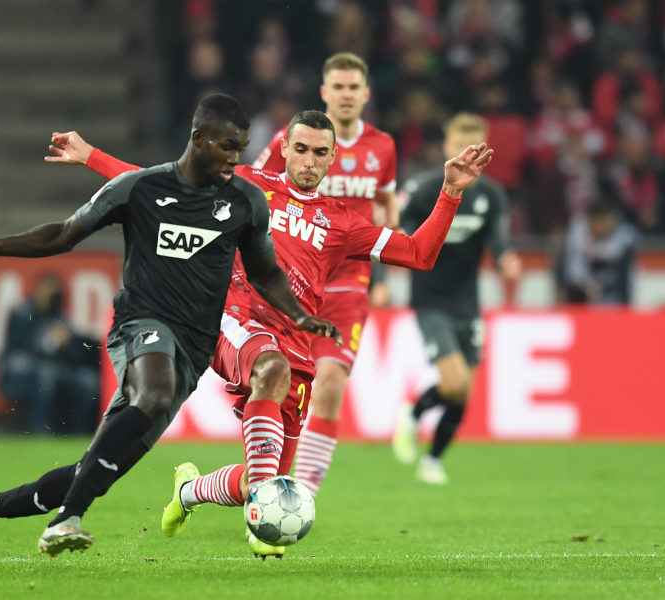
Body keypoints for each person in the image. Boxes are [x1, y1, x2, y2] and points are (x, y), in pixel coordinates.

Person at [46, 112, 493, 557]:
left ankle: (190, 491)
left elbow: (418, 253)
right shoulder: (247, 185)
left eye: (320, 153)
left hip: (297, 345)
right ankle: (260, 519)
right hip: (235, 318)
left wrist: (451, 191)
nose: (309, 161)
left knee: (266, 477)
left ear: (333, 158)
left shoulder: (342, 222)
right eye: (300, 149)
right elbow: (155, 185)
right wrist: (90, 156)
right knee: (270, 375)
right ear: (283, 148)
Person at [0, 94, 340, 572]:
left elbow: (266, 272)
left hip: (190, 349)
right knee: (152, 393)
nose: (236, 158)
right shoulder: (140, 189)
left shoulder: (244, 202)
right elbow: (64, 233)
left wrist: (300, 315)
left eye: (241, 148)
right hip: (140, 325)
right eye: (228, 147)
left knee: (93, 470)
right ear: (199, 138)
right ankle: (68, 519)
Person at [252, 52, 399, 498]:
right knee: (281, 385)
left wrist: (388, 270)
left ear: (366, 93)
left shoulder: (383, 148)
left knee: (330, 385)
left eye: (354, 87)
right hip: (291, 282)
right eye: (338, 87)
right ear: (325, 92)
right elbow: (254, 190)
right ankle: (262, 479)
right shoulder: (291, 139)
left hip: (348, 282)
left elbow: (386, 207)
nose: (347, 94)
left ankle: (304, 494)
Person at [392, 113, 521, 485]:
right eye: (460, 145)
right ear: (447, 147)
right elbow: (393, 223)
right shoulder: (422, 187)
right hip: (430, 299)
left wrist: (505, 260)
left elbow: (498, 241)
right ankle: (414, 415)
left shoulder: (492, 195)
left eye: (476, 146)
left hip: (468, 302)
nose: (467, 153)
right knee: (453, 381)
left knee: (464, 392)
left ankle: (432, 460)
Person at [0, 271, 99, 434]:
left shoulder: (60, 318)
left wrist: (66, 343)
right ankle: (39, 430)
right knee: (47, 374)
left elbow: (74, 357)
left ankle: (78, 434)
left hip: (55, 371)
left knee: (88, 380)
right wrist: (48, 342)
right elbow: (19, 349)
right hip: (20, 372)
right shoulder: (22, 314)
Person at [557, 198, 636, 305]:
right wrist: (588, 284)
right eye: (597, 222)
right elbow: (574, 269)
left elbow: (625, 272)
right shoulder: (579, 233)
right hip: (584, 289)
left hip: (613, 287)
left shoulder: (623, 235)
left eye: (604, 222)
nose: (601, 227)